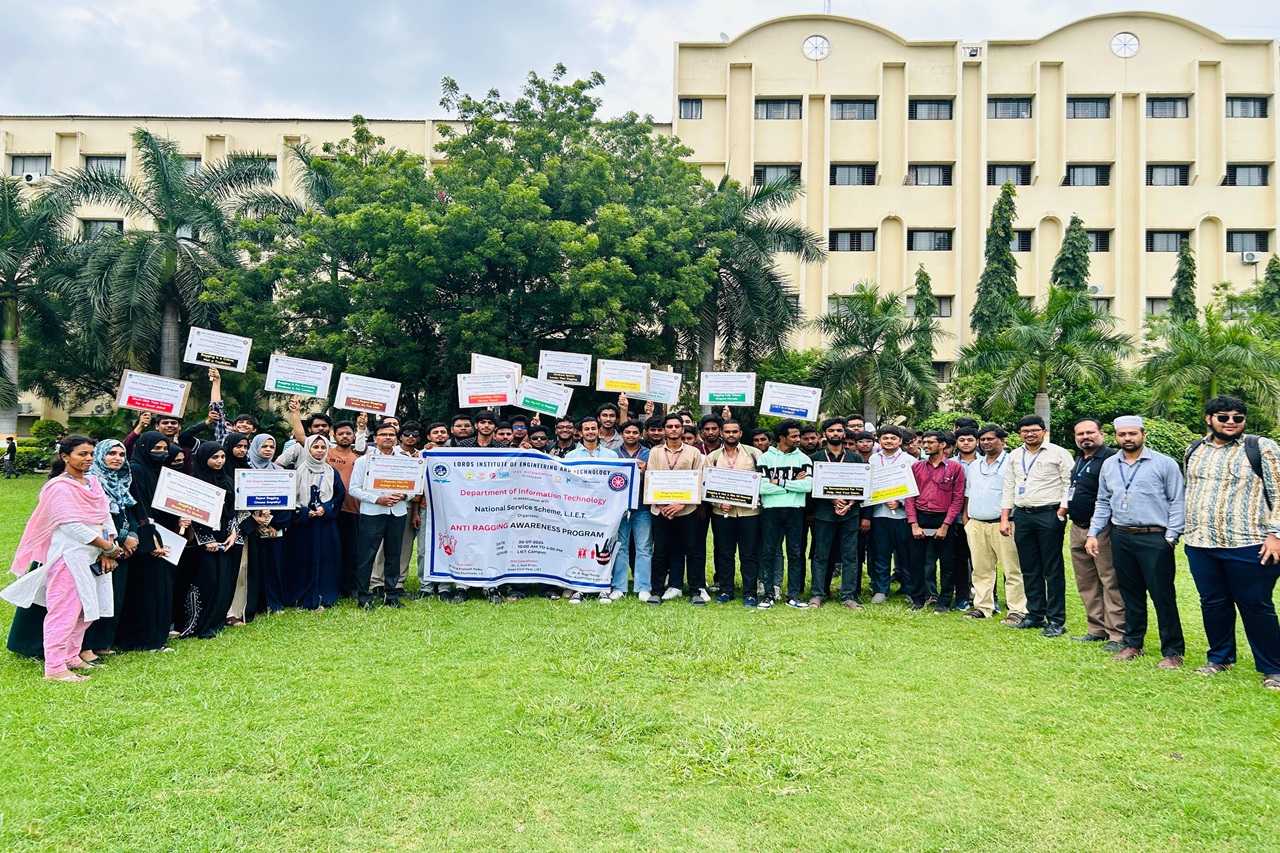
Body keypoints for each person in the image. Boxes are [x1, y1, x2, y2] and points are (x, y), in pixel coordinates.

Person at [1182, 396, 1280, 690]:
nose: (1231, 422)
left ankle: (1273, 668)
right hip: (1201, 543)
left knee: (1256, 605)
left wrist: (1276, 535)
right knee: (1213, 604)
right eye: (1223, 417)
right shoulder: (1194, 449)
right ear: (1209, 419)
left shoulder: (1261, 447)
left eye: (1238, 418)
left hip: (1249, 543)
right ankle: (1219, 658)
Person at [3, 435, 119, 681]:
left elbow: (105, 515)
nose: (88, 459)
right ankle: (55, 667)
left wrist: (108, 546)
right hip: (69, 557)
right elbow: (70, 526)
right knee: (64, 611)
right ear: (65, 456)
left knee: (87, 609)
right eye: (82, 454)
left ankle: (71, 656)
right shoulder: (59, 487)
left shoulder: (93, 483)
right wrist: (108, 547)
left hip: (95, 555)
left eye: (91, 454)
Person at [1085, 416, 1186, 668]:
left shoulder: (1164, 463)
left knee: (1162, 595)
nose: (1127, 438)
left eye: (1132, 433)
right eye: (1122, 434)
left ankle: (1172, 651)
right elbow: (1103, 501)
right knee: (1130, 594)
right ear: (1115, 437)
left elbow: (1177, 500)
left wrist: (1171, 536)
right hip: (1121, 535)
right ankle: (1133, 644)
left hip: (1155, 537)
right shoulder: (1109, 465)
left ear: (1143, 435)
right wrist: (1093, 533)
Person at [1001, 415, 1074, 637]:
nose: (1030, 434)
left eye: (1034, 430)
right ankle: (1034, 614)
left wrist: (1062, 511)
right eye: (1025, 431)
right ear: (1020, 434)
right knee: (1029, 567)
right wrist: (1005, 517)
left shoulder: (1059, 453)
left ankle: (1056, 620)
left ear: (1044, 431)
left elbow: (1069, 483)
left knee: (1052, 569)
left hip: (1049, 514)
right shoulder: (1015, 455)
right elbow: (1009, 487)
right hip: (1023, 515)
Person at [115, 431, 186, 652]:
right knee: (148, 588)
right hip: (147, 537)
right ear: (144, 448)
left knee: (161, 587)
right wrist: (151, 539)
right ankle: (144, 639)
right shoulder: (136, 470)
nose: (161, 453)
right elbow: (140, 507)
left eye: (164, 449)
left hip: (163, 533)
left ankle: (157, 634)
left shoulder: (161, 471)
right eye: (156, 449)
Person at [78, 439, 143, 658]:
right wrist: (119, 540)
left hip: (120, 548)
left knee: (113, 595)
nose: (117, 458)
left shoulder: (123, 481)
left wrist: (133, 535)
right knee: (93, 595)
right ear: (100, 456)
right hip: (99, 546)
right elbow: (93, 520)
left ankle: (103, 641)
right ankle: (85, 645)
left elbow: (129, 512)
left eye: (121, 454)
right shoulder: (91, 482)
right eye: (111, 453)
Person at [1066, 417, 1125, 649]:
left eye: (1090, 432)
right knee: (1086, 581)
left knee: (1109, 580)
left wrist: (1098, 528)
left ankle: (1117, 634)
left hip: (1102, 530)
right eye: (1080, 434)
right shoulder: (1080, 458)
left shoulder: (1111, 459)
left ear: (1102, 434)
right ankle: (1097, 628)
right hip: (1077, 527)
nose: (1085, 437)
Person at [963, 425, 1026, 622]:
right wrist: (966, 521)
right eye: (983, 439)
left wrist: (1006, 520)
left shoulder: (1012, 463)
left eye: (990, 439)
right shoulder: (975, 465)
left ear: (1002, 441)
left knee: (1012, 569)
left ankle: (1017, 609)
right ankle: (983, 607)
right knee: (981, 569)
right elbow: (968, 494)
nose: (986, 442)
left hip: (1004, 524)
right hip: (976, 524)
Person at [177, 441, 239, 639]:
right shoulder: (194, 481)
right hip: (200, 540)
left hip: (223, 536)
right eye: (214, 457)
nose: (219, 461)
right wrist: (206, 540)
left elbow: (232, 510)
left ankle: (214, 623)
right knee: (205, 581)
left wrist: (233, 533)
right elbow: (190, 513)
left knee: (223, 580)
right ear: (204, 458)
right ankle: (195, 624)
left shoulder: (227, 480)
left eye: (222, 457)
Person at [349, 421, 412, 609]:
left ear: (397, 439)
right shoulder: (363, 461)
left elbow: (413, 488)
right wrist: (377, 499)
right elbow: (353, 489)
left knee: (394, 555)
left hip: (397, 513)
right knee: (367, 556)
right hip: (373, 513)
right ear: (375, 438)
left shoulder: (405, 461)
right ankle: (364, 597)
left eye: (391, 435)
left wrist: (404, 495)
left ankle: (391, 595)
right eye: (383, 434)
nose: (388, 438)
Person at [647, 413, 707, 605]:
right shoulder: (655, 452)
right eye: (669, 426)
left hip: (686, 510)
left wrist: (681, 504)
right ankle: (657, 591)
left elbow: (698, 480)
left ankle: (695, 591)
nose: (673, 429)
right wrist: (663, 505)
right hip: (661, 510)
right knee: (660, 551)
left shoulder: (693, 452)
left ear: (682, 428)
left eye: (677, 426)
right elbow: (650, 478)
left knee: (692, 551)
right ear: (664, 429)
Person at [906, 431, 966, 613]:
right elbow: (909, 496)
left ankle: (944, 602)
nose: (926, 446)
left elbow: (958, 499)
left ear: (942, 444)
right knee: (917, 562)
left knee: (947, 563)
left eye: (930, 442)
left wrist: (946, 525)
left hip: (943, 518)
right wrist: (914, 524)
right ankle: (918, 599)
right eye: (924, 442)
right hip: (920, 516)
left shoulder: (955, 468)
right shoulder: (916, 467)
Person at [808, 417, 866, 610]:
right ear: (824, 434)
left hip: (850, 513)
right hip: (824, 513)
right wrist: (832, 499)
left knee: (850, 556)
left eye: (839, 430)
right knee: (821, 555)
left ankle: (848, 596)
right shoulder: (815, 458)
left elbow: (862, 486)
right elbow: (811, 486)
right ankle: (817, 594)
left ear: (844, 433)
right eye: (831, 430)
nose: (835, 434)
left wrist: (849, 503)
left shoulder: (855, 458)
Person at [286, 434, 346, 610]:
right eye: (315, 447)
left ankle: (324, 593)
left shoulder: (331, 472)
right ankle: (300, 594)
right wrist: (305, 512)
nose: (319, 451)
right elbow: (289, 498)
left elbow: (339, 495)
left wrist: (325, 508)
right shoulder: (297, 472)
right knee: (302, 558)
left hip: (325, 524)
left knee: (327, 558)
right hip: (303, 525)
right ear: (308, 449)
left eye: (322, 447)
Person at [706, 419, 763, 606]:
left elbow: (763, 480)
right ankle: (726, 591)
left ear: (740, 433)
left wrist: (757, 496)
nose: (731, 434)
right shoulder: (713, 457)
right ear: (721, 433)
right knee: (724, 553)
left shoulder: (754, 454)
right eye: (727, 431)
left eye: (734, 431)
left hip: (750, 514)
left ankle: (750, 594)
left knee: (749, 554)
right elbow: (707, 485)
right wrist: (718, 502)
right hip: (722, 514)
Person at [758, 419, 813, 609]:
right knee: (768, 552)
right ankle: (768, 595)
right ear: (782, 437)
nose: (799, 439)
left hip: (795, 510)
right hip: (771, 510)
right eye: (794, 436)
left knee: (795, 553)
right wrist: (793, 484)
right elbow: (762, 487)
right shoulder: (765, 458)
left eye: (799, 435)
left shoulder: (804, 459)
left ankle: (793, 595)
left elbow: (807, 486)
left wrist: (779, 482)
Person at [243, 434, 293, 616]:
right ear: (255, 447)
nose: (268, 450)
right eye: (263, 446)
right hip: (251, 528)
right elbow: (240, 502)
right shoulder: (245, 471)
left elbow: (287, 501)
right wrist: (254, 523)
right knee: (253, 567)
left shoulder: (280, 472)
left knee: (274, 566)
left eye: (271, 447)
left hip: (274, 529)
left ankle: (274, 603)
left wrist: (275, 525)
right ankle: (253, 605)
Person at [868, 426, 912, 604]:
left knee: (905, 554)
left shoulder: (909, 460)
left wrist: (900, 502)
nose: (889, 441)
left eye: (893, 438)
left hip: (901, 516)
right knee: (881, 553)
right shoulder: (873, 459)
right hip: (879, 514)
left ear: (900, 441)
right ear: (879, 440)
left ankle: (910, 589)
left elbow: (915, 488)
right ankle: (881, 590)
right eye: (885, 438)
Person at [612, 420, 653, 603]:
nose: (631, 435)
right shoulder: (613, 454)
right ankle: (619, 587)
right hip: (619, 509)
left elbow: (657, 480)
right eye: (627, 432)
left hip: (642, 508)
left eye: (635, 432)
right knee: (620, 547)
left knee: (644, 548)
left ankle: (643, 587)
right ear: (621, 434)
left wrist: (645, 472)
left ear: (641, 434)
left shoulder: (648, 453)